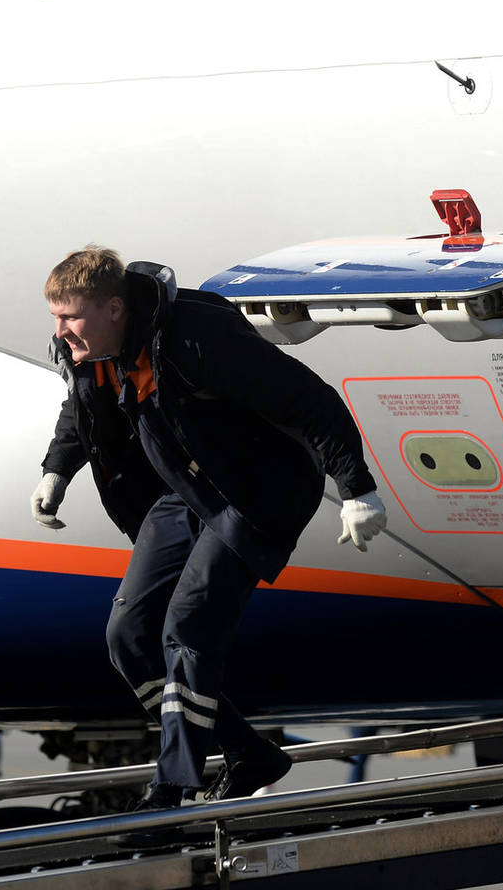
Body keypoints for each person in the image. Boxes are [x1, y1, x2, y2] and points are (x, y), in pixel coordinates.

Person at [32, 246, 387, 824]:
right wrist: (55, 470)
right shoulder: (91, 349)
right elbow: (83, 409)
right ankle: (248, 754)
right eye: (56, 317)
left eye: (69, 317)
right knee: (129, 635)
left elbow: (311, 401)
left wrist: (356, 489)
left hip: (252, 494)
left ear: (115, 308)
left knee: (188, 627)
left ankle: (172, 790)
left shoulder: (195, 338)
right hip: (184, 486)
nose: (60, 330)